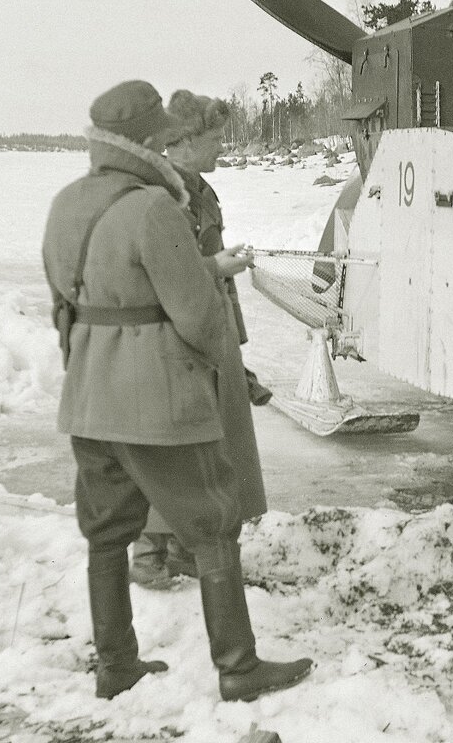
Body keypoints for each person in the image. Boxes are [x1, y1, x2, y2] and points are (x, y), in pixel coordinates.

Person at [42, 80, 312, 701]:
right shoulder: (154, 209)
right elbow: (198, 315)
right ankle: (239, 670)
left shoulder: (65, 203)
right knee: (215, 525)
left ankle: (115, 667)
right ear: (149, 139)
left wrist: (88, 370)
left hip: (87, 398)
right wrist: (204, 370)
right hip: (157, 400)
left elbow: (61, 305)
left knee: (107, 535)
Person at [127, 89, 270, 588]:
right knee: (173, 448)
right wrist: (214, 266)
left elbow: (208, 271)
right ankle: (148, 558)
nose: (221, 148)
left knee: (208, 451)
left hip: (209, 329)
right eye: (214, 139)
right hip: (178, 338)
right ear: (183, 140)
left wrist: (235, 344)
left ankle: (189, 552)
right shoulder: (163, 193)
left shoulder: (199, 188)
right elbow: (166, 274)